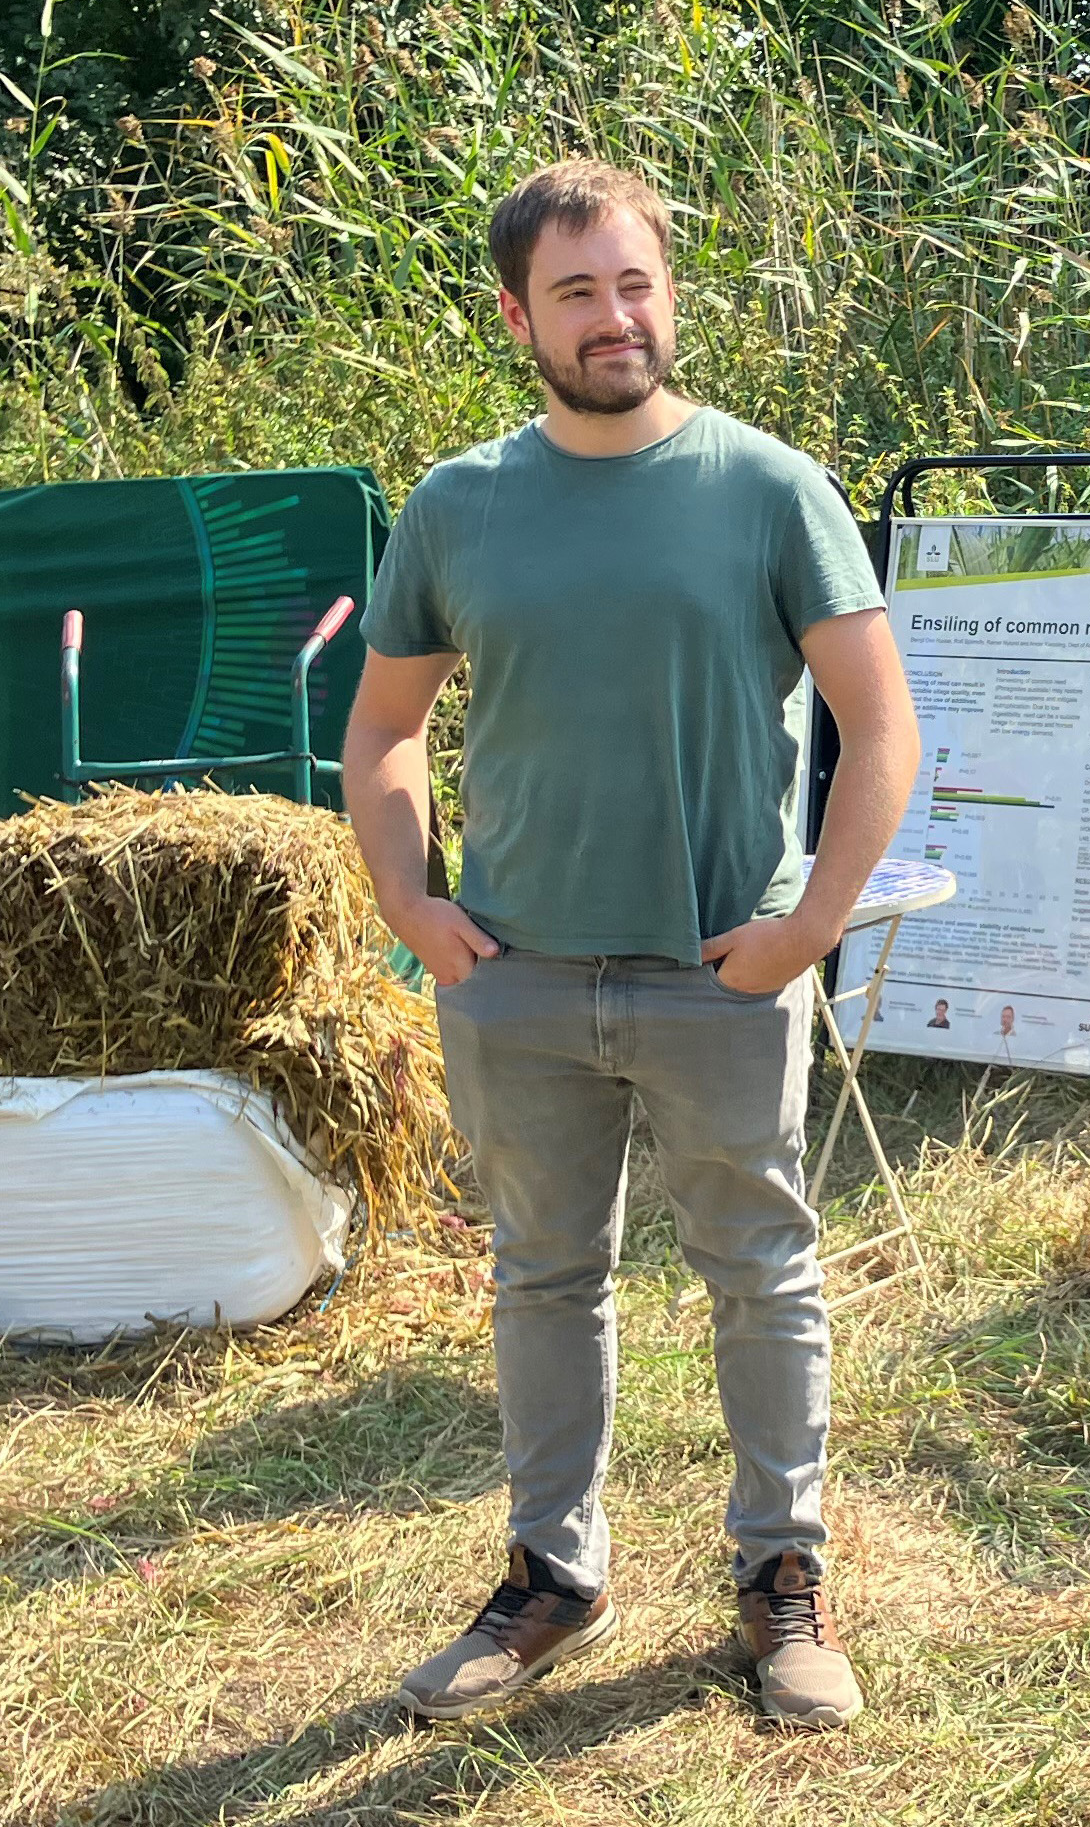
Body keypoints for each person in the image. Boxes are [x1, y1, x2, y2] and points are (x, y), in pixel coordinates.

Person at [345, 158, 922, 1732]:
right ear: (520, 312)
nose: (615, 317)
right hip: (517, 980)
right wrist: (413, 901)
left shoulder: (767, 489)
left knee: (763, 1276)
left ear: (670, 290)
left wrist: (806, 928)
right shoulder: (458, 504)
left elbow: (882, 731)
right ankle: (551, 1575)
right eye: (578, 292)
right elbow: (385, 729)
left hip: (715, 975)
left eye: (636, 283)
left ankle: (782, 1584)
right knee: (543, 1279)